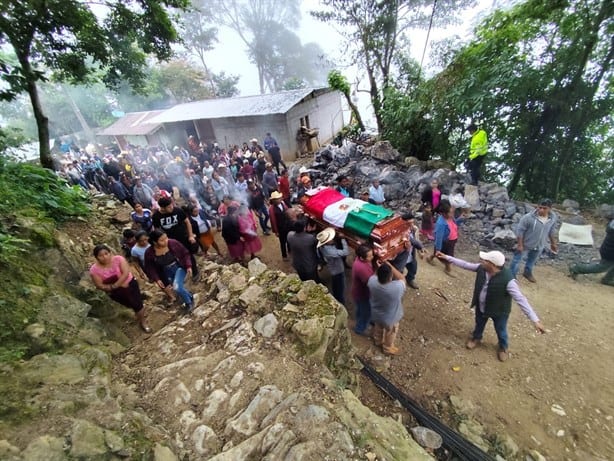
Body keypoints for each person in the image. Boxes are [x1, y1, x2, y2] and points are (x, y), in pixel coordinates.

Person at [436, 250, 546, 361]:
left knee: (501, 330)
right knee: (479, 324)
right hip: (481, 307)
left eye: (485, 260)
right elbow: (465, 264)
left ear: (492, 265)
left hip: (499, 311)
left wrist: (535, 320)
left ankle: (503, 347)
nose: (481, 261)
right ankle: (476, 338)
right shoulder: (481, 268)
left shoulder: (509, 281)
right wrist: (447, 257)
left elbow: (521, 300)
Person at [90, 244, 151, 332]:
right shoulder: (94, 270)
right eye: (101, 255)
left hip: (130, 284)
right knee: (130, 304)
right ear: (97, 257)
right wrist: (113, 287)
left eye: (106, 253)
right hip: (115, 292)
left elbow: (125, 273)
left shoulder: (118, 259)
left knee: (137, 304)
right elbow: (99, 285)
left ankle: (143, 322)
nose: (105, 257)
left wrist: (117, 285)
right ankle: (138, 313)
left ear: (110, 253)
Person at [144, 230, 195, 313]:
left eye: (166, 238)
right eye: (162, 240)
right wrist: (157, 279)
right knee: (177, 287)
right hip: (165, 272)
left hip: (178, 267)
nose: (166, 241)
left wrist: (188, 265)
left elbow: (185, 253)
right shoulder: (149, 253)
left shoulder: (173, 243)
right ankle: (190, 296)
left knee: (177, 287)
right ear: (155, 242)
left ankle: (189, 303)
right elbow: (150, 268)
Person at [510, 198, 558, 283]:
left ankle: (527, 272)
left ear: (550, 209)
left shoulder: (552, 218)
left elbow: (551, 231)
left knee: (532, 260)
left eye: (544, 208)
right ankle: (511, 276)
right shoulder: (528, 218)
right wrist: (520, 245)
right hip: (526, 244)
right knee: (517, 260)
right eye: (540, 207)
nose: (541, 210)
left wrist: (553, 243)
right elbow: (520, 231)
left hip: (540, 244)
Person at [152, 196, 199, 280]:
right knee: (176, 257)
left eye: (171, 205)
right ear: (163, 208)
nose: (172, 207)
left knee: (188, 254)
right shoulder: (156, 216)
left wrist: (191, 235)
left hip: (182, 238)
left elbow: (187, 222)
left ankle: (195, 272)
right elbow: (156, 230)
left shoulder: (178, 211)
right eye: (169, 207)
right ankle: (183, 273)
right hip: (169, 242)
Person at [368, 260, 407, 355]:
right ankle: (387, 348)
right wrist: (389, 265)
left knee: (378, 327)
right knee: (391, 332)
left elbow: (375, 275)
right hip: (390, 318)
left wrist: (380, 268)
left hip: (376, 314)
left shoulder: (372, 282)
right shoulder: (397, 288)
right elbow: (402, 278)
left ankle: (377, 341)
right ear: (390, 277)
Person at [569, 219, 614, 286]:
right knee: (602, 267)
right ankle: (577, 268)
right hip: (610, 252)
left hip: (607, 248)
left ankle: (608, 279)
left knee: (605, 266)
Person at [427, 200, 461, 274]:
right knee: (447, 256)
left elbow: (455, 224)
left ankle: (430, 258)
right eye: (450, 212)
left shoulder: (450, 217)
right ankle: (448, 269)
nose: (452, 213)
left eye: (452, 211)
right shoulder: (441, 223)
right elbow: (439, 237)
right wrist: (438, 248)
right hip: (445, 242)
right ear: (443, 213)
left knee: (438, 253)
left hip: (452, 241)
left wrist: (461, 218)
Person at [317, 228, 349, 305]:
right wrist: (343, 239)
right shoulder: (330, 252)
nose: (332, 239)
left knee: (336, 287)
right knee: (340, 289)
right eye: (331, 239)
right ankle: (341, 304)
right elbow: (345, 252)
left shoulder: (322, 246)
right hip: (337, 271)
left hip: (333, 269)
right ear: (327, 242)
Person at [351, 244, 375, 335]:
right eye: (370, 256)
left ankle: (365, 321)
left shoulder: (360, 260)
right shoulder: (362, 268)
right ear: (362, 257)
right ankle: (360, 329)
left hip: (358, 292)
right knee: (365, 312)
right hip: (362, 294)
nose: (372, 257)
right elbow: (371, 283)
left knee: (361, 309)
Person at [401, 212, 425, 289]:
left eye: (412, 222)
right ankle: (399, 286)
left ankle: (409, 280)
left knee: (413, 269)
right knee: (399, 272)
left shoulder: (414, 229)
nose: (411, 225)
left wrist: (420, 251)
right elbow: (412, 241)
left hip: (411, 255)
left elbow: (416, 241)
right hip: (401, 257)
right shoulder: (399, 232)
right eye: (409, 223)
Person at [269, 191, 291, 259]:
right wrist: (276, 231)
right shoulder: (271, 209)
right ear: (274, 200)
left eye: (279, 198)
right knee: (282, 242)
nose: (279, 199)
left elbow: (288, 211)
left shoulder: (283, 204)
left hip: (287, 225)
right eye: (277, 198)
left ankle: (290, 250)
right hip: (280, 228)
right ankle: (284, 255)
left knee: (289, 239)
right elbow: (273, 220)